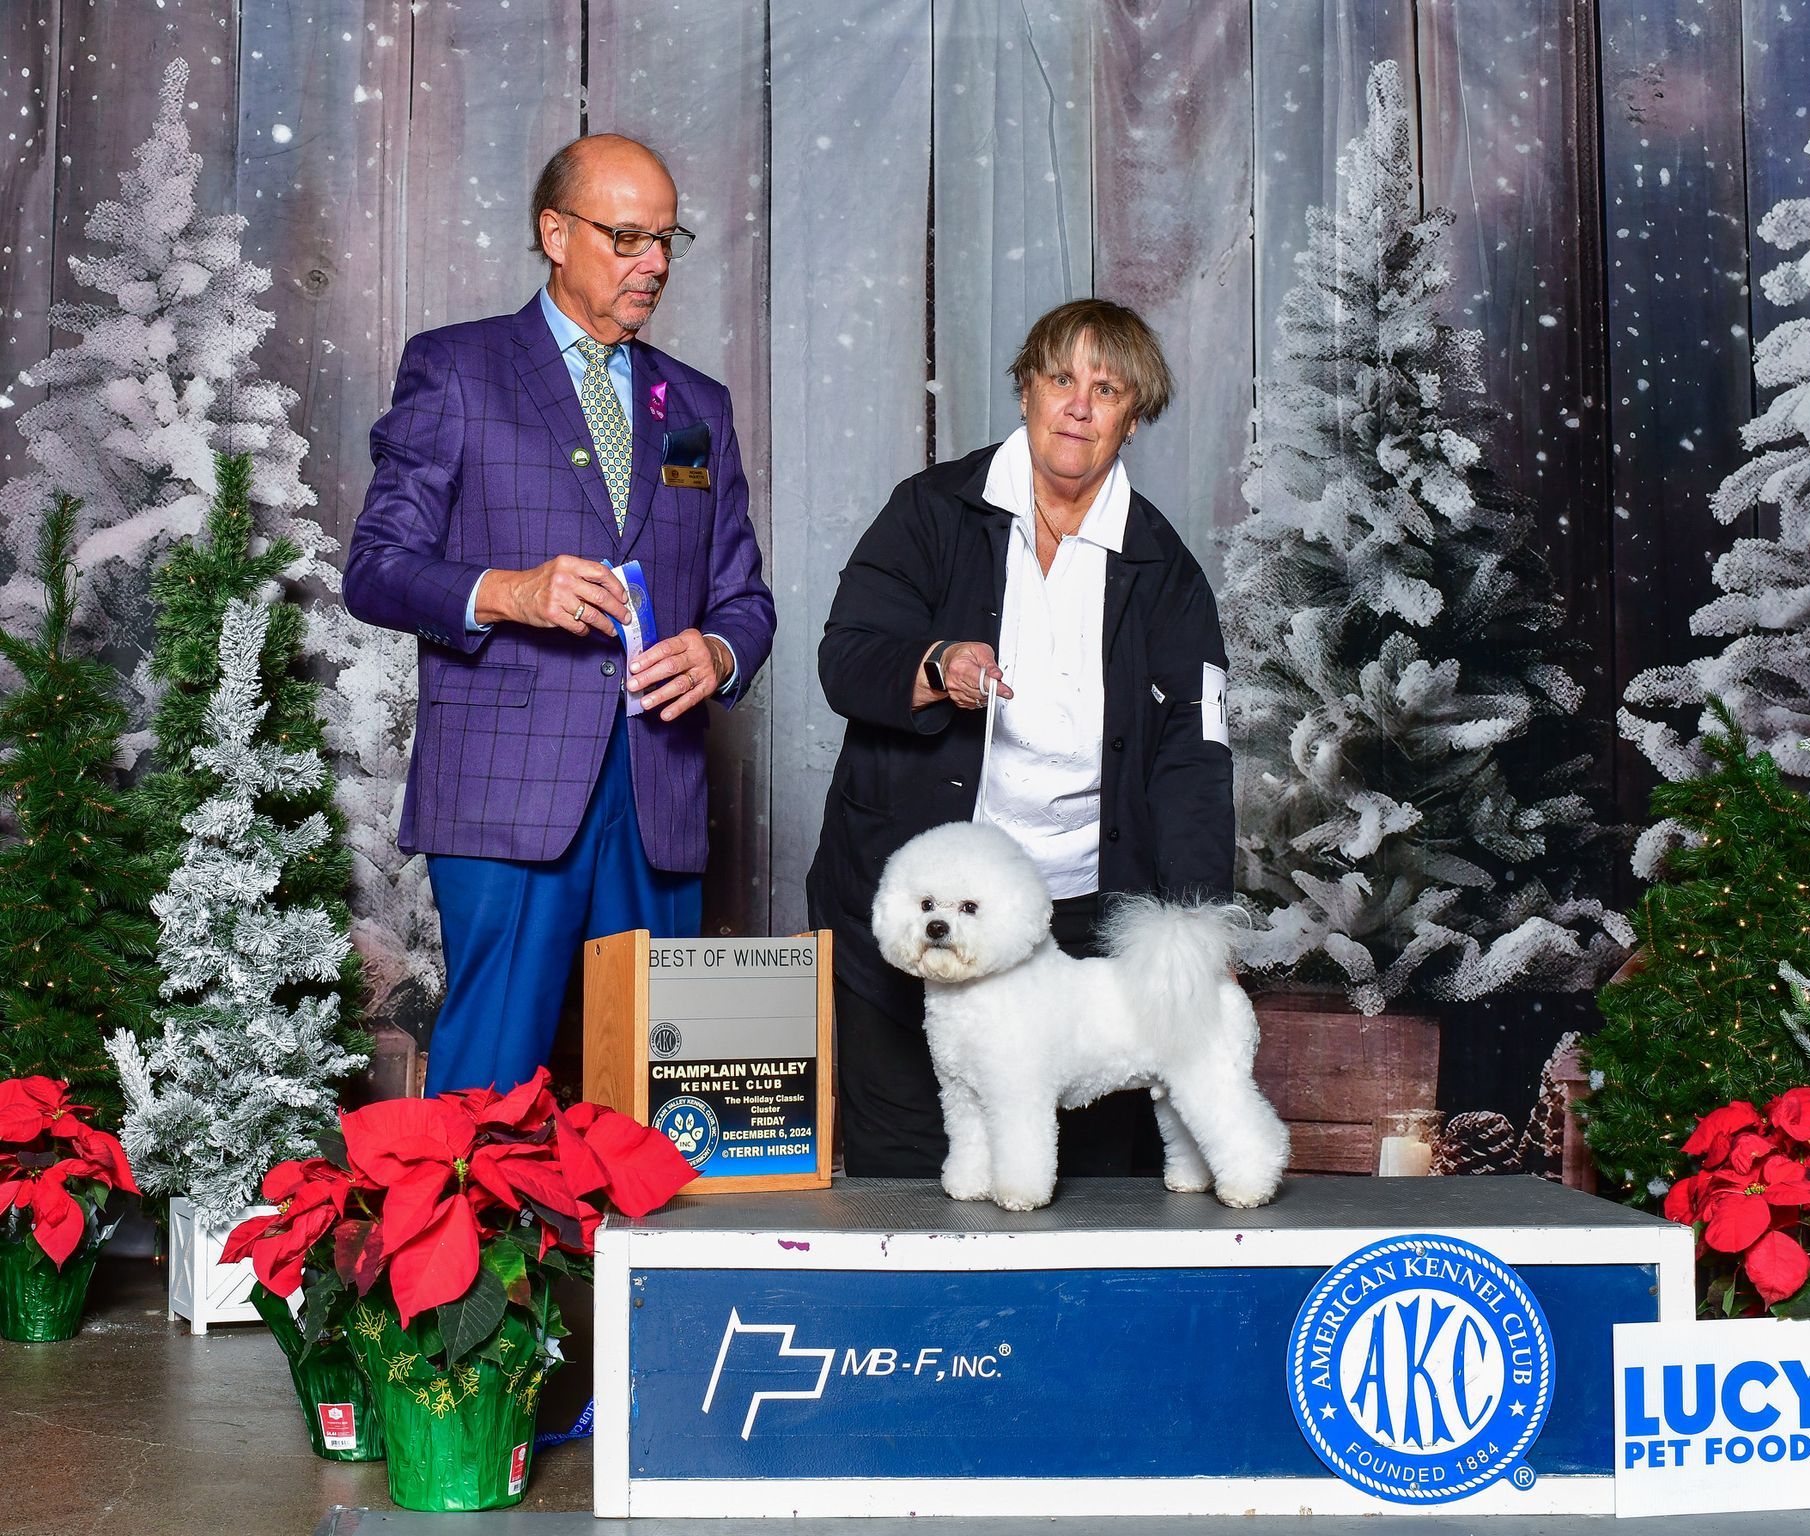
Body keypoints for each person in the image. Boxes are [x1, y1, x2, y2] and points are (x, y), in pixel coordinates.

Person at [344, 135, 774, 1095]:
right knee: (486, 1091)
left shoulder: (695, 405)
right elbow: (373, 568)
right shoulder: (457, 369)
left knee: (665, 1087)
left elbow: (744, 596)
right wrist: (510, 590)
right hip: (508, 787)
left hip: (656, 784)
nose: (654, 264)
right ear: (554, 233)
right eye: (627, 237)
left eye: (667, 240)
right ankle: (467, 1247)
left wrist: (718, 649)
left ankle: (647, 1254)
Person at [808, 297, 1233, 1178]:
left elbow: (1194, 757)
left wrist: (1191, 939)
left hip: (1085, 925)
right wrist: (934, 665)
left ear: (1134, 413)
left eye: (1107, 388)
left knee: (1084, 1183)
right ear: (1027, 390)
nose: (1079, 405)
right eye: (1060, 378)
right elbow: (846, 658)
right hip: (918, 908)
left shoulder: (1167, 571)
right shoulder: (929, 511)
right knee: (914, 1172)